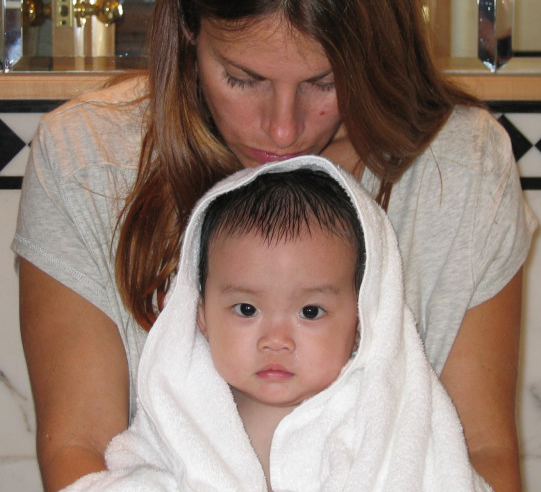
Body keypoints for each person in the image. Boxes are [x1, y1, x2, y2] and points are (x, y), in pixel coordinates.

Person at [13, 0, 537, 490]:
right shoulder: (85, 159)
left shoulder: (464, 166)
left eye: (325, 81)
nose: (285, 130)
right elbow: (80, 450)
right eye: (243, 78)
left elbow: (484, 454)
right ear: (188, 27)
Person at [62, 157, 491, 492]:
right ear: (200, 316)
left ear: (361, 322)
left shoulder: (378, 422)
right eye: (247, 309)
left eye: (310, 312)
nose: (276, 341)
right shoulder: (180, 419)